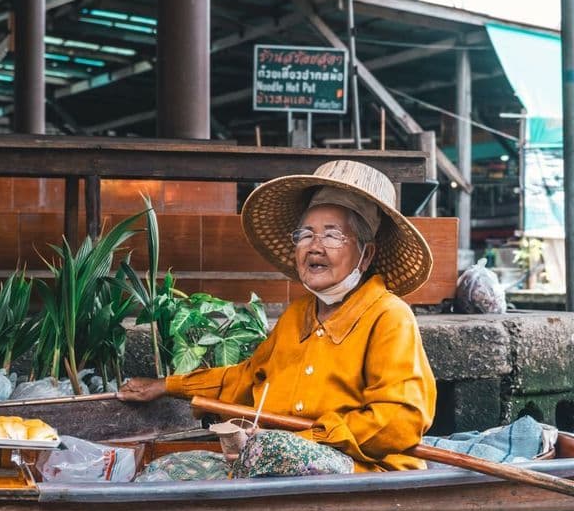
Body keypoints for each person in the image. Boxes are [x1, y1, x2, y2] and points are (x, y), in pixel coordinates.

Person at [119, 159, 437, 477]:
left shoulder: (389, 315)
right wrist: (167, 385)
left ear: (365, 255)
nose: (314, 247)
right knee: (166, 469)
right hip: (274, 458)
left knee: (273, 451)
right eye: (306, 235)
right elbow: (246, 378)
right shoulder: (297, 315)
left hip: (360, 470)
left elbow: (400, 421)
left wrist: (307, 438)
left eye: (331, 236)